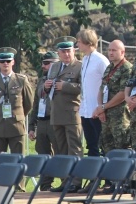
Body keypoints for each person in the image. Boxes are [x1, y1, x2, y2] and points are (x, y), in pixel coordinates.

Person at [45, 36, 83, 193]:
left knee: (74, 149)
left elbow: (83, 87)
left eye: (69, 51)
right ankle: (65, 180)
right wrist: (46, 87)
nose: (66, 54)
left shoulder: (80, 66)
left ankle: (76, 181)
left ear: (74, 51)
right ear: (58, 53)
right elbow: (49, 89)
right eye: (63, 51)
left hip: (72, 113)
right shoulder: (54, 67)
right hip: (56, 113)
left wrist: (66, 86)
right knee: (60, 149)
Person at [0, 47, 34, 155]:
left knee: (17, 159)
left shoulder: (21, 80)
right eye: (2, 61)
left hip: (16, 127)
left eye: (8, 61)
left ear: (13, 62)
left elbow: (29, 103)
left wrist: (18, 115)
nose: (5, 63)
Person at [93, 41, 131, 156]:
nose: (110, 53)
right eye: (109, 50)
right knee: (106, 149)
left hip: (120, 117)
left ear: (122, 52)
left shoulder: (127, 68)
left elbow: (123, 93)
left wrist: (104, 107)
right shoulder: (109, 67)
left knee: (121, 150)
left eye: (114, 50)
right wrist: (101, 108)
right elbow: (101, 88)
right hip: (106, 116)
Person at [76, 29, 110, 159]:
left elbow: (107, 84)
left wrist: (102, 107)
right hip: (86, 110)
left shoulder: (101, 60)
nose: (78, 45)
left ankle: (107, 177)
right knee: (91, 146)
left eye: (79, 42)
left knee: (102, 145)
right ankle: (93, 177)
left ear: (87, 42)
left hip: (97, 110)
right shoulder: (85, 59)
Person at [28, 51, 58, 191]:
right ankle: (45, 185)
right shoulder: (41, 80)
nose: (44, 66)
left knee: (59, 153)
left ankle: (65, 182)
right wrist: (31, 126)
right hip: (42, 121)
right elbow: (36, 104)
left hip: (55, 121)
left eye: (47, 63)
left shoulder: (60, 80)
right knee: (43, 154)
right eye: (43, 63)